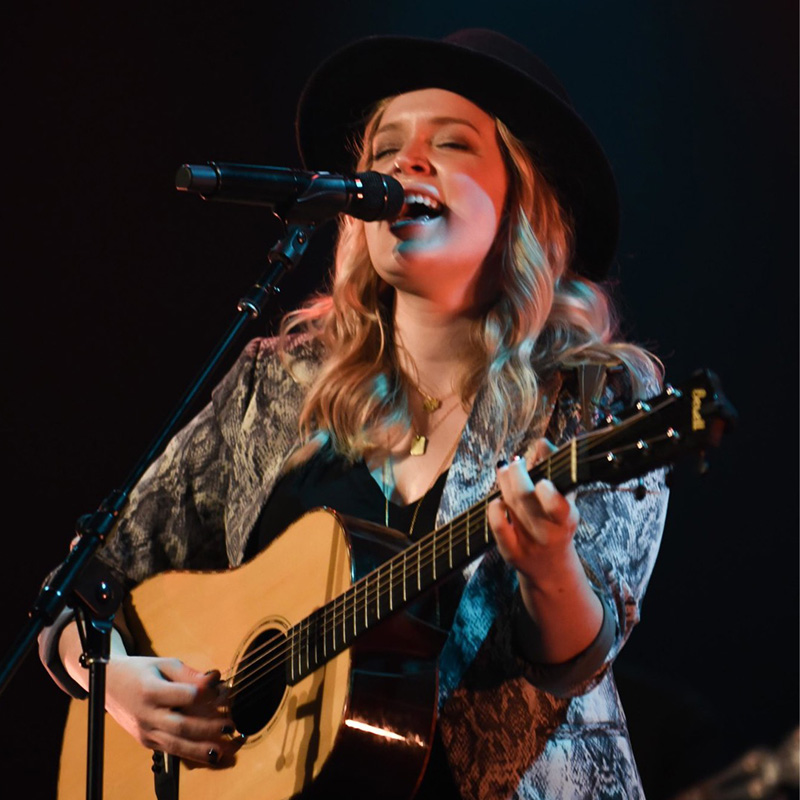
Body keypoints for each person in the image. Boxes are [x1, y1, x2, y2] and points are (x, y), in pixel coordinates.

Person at [40, 29, 669, 799]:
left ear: (520, 202)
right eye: (384, 149)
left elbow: (575, 659)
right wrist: (109, 679)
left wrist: (549, 568)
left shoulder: (591, 401)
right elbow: (85, 586)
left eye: (453, 145)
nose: (405, 164)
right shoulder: (277, 383)